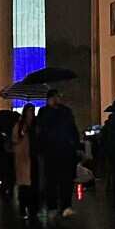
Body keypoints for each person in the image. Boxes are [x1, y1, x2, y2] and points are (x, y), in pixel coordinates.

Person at [37, 89, 79, 217]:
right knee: (53, 181)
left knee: (64, 180)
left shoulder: (63, 112)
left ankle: (64, 205)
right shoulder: (48, 113)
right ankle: (54, 206)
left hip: (62, 151)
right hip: (53, 151)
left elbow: (72, 129)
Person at [11, 105, 39, 218]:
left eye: (32, 111)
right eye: (29, 111)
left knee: (34, 183)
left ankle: (33, 208)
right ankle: (23, 207)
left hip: (33, 156)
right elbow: (15, 139)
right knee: (24, 185)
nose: (31, 114)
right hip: (23, 157)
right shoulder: (20, 125)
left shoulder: (36, 125)